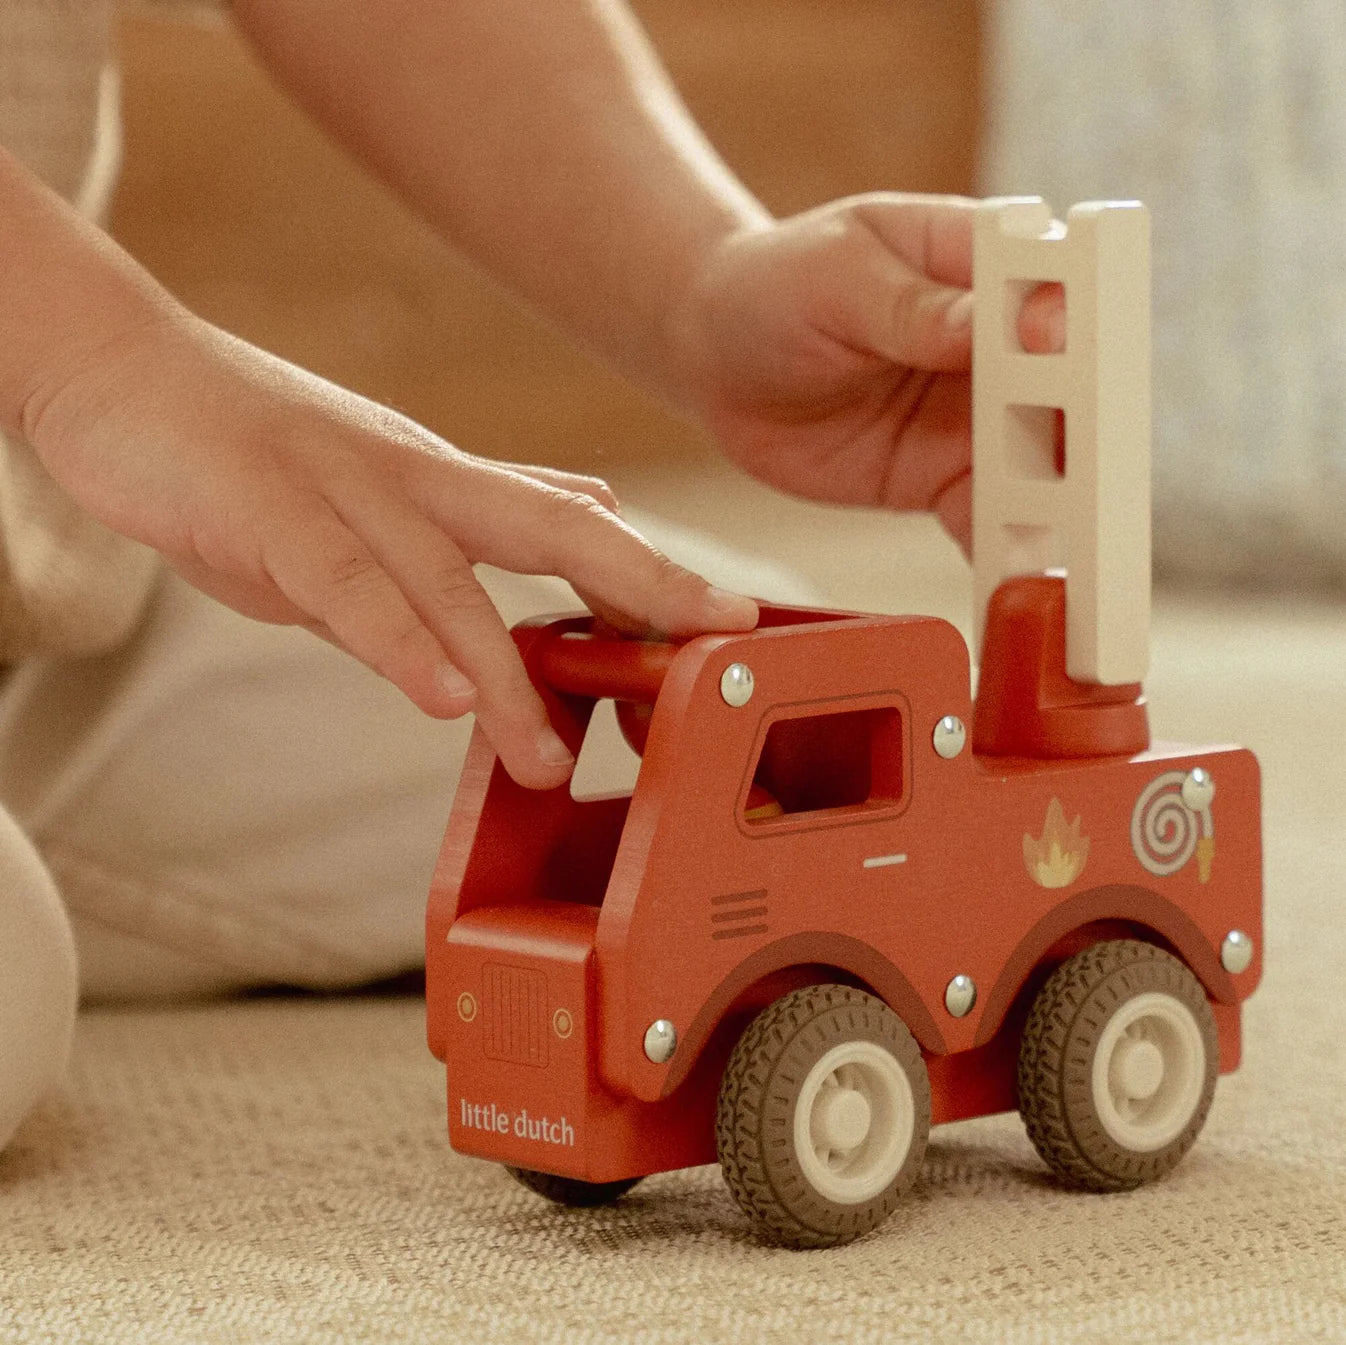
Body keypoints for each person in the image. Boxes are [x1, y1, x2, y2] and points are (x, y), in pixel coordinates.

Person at [0, 0, 1048, 1154]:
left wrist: (693, 279)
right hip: (76, 428)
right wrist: (96, 358)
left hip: (58, 580)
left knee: (785, 739)